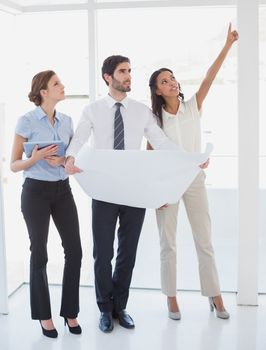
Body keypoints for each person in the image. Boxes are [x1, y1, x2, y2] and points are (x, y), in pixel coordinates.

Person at [64, 55, 195, 333]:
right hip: (104, 190)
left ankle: (119, 307)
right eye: (123, 72)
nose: (128, 76)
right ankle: (104, 308)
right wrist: (70, 158)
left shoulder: (141, 111)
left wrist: (190, 160)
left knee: (128, 252)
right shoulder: (93, 110)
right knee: (103, 252)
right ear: (107, 78)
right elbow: (78, 139)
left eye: (130, 71)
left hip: (134, 191)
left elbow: (161, 143)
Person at [147, 24, 238, 320]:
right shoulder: (154, 120)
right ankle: (171, 299)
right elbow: (149, 158)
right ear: (157, 90)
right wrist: (154, 192)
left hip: (195, 181)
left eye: (172, 78)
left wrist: (227, 45)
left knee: (204, 240)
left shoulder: (193, 106)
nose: (172, 82)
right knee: (168, 243)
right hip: (166, 185)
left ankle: (215, 296)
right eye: (165, 80)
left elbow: (210, 76)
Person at [10, 70, 82, 338]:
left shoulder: (67, 121)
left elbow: (73, 157)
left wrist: (62, 161)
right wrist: (36, 157)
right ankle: (44, 316)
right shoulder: (26, 121)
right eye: (57, 84)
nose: (63, 86)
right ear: (43, 91)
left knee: (74, 250)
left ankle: (70, 313)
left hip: (63, 190)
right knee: (39, 252)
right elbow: (14, 164)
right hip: (35, 192)